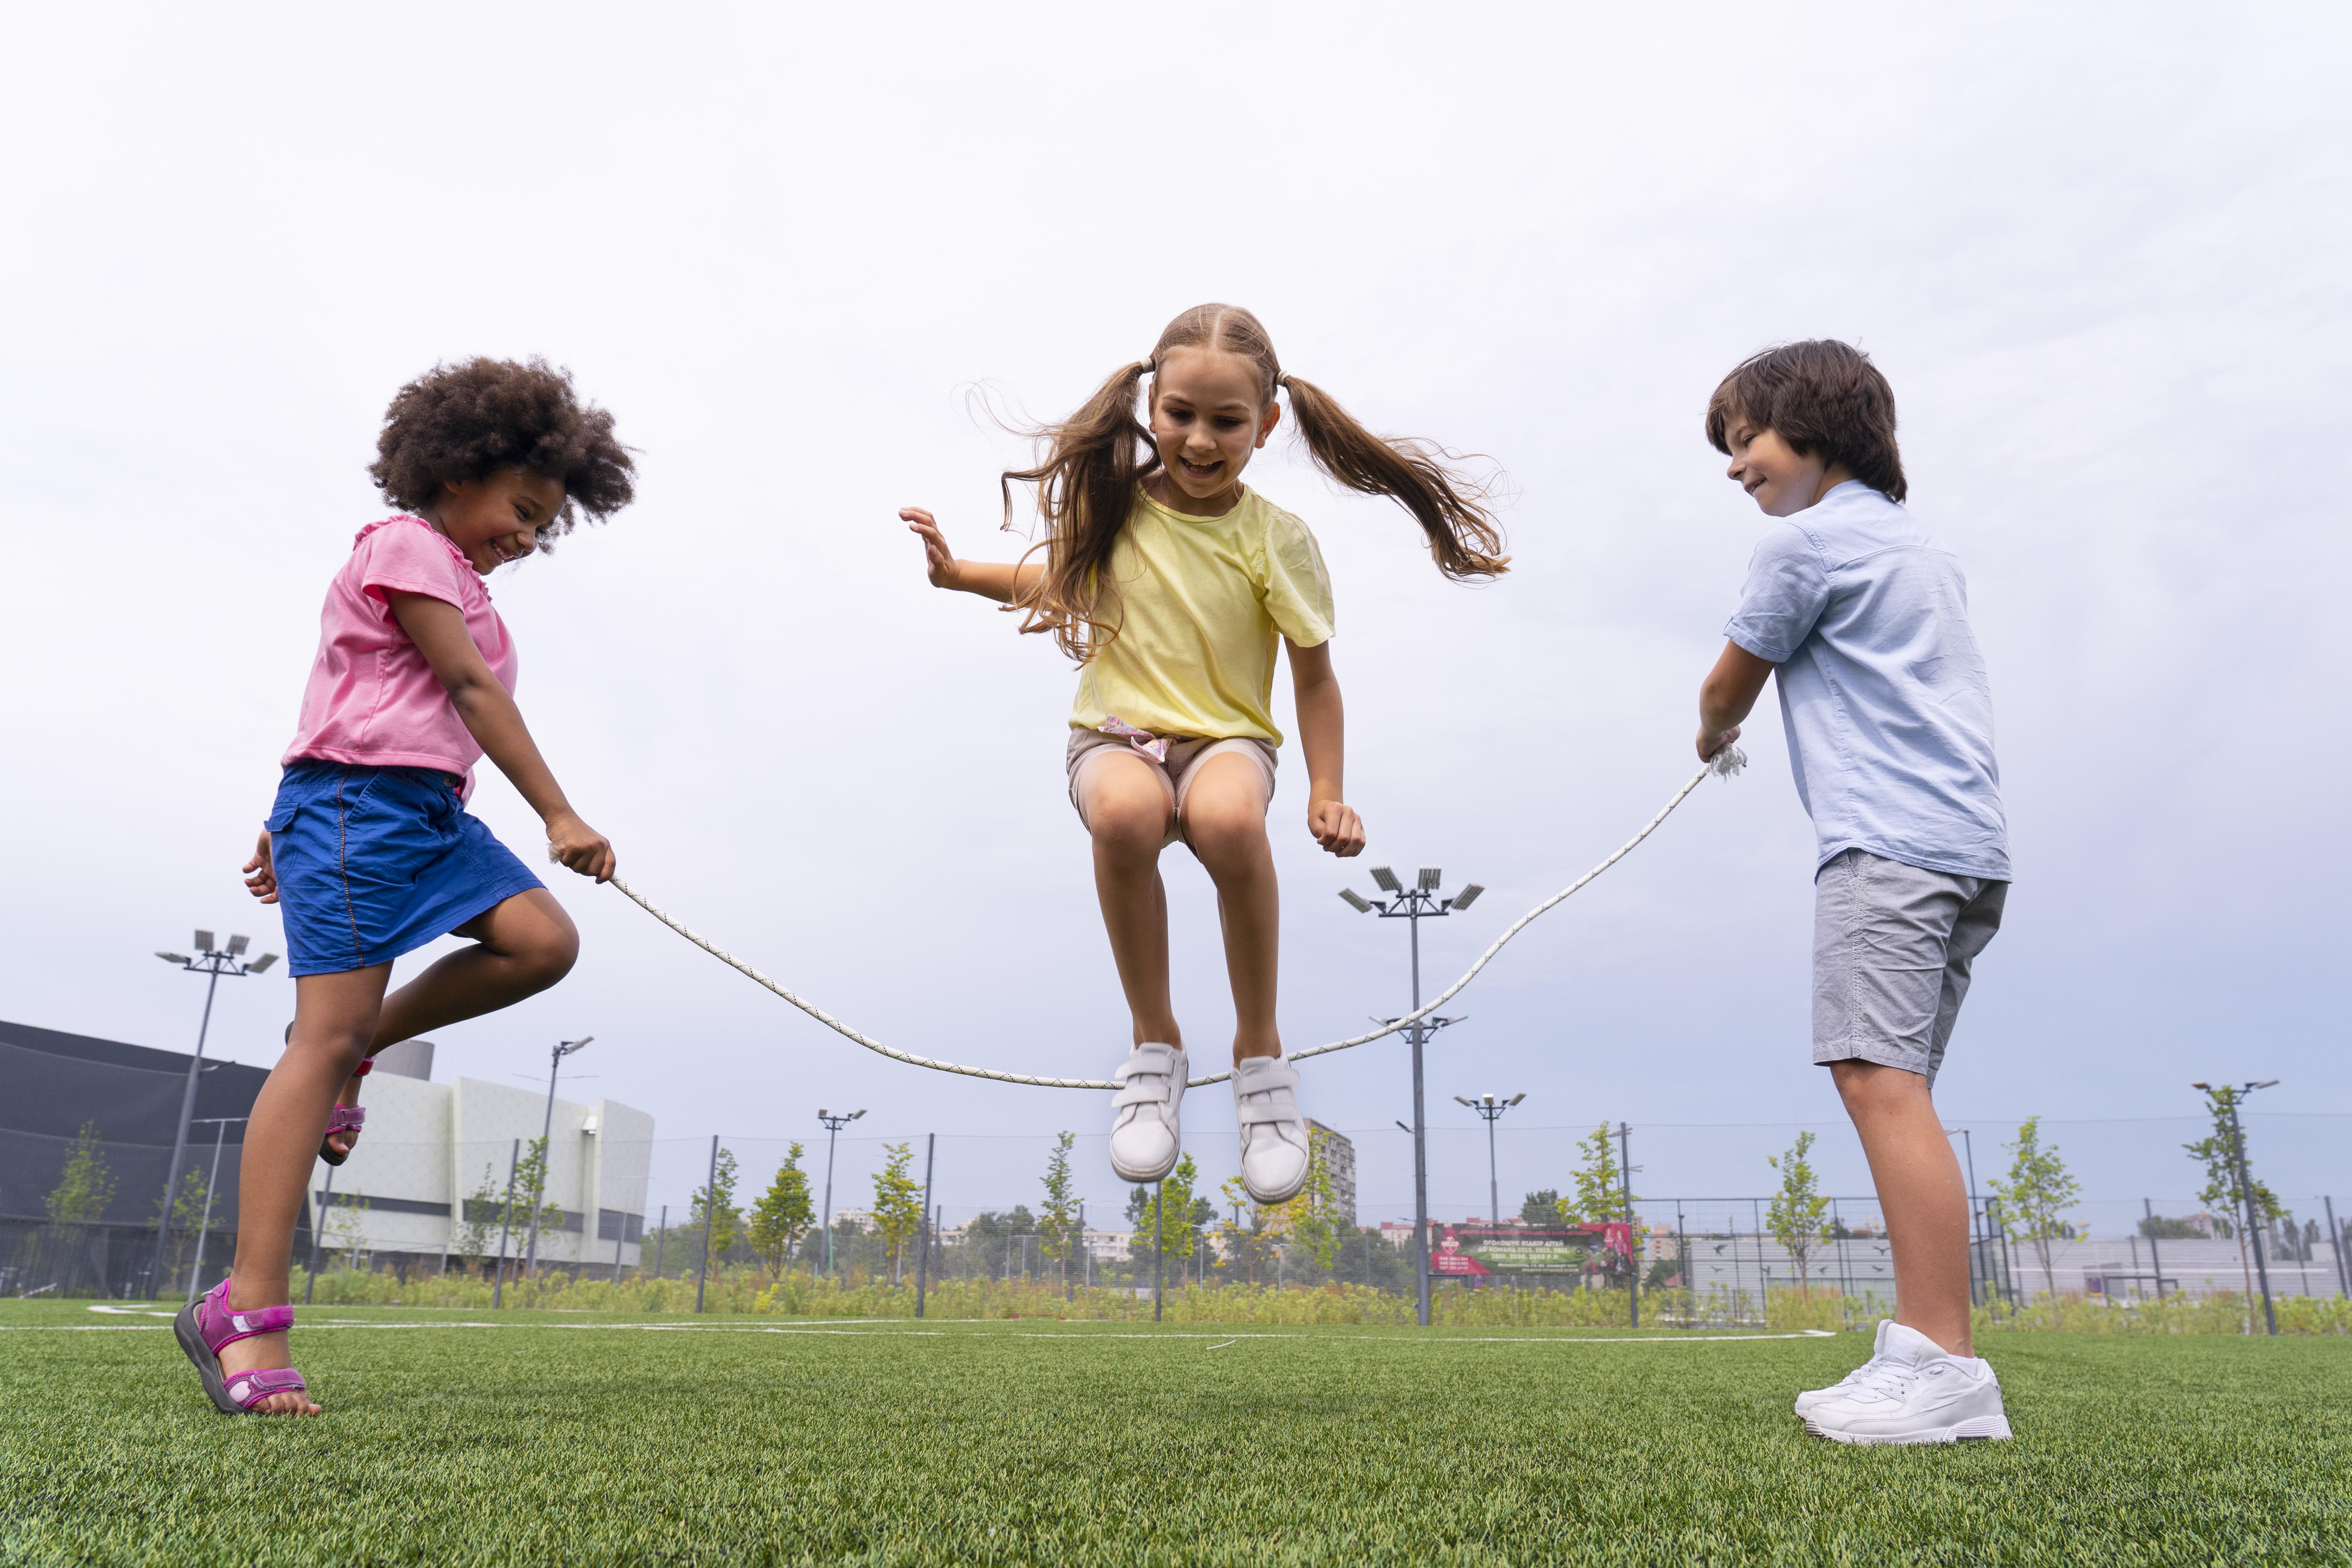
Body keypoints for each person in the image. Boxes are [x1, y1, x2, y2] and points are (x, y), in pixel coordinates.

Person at [903, 303, 1505, 1204]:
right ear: (1152, 406)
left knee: (1225, 818)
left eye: (1226, 421)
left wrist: (1327, 787)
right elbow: (1054, 581)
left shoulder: (1276, 537)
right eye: (1181, 413)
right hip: (1115, 735)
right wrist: (958, 576)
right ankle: (1155, 1047)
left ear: (1265, 425)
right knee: (1123, 810)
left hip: (1227, 739)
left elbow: (1313, 677)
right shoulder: (1114, 510)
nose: (1198, 438)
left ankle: (1259, 1057)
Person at [174, 358, 634, 1416]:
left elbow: (359, 687)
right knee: (316, 1039)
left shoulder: (465, 585)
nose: (526, 536)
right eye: (521, 509)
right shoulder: (403, 543)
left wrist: (282, 811)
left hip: (419, 815)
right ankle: (244, 1313)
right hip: (357, 812)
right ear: (459, 467)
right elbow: (464, 690)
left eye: (542, 526)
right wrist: (559, 812)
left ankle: (365, 1049)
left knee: (540, 942)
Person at [1693, 340, 2013, 1445]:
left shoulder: (1804, 547)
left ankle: (1941, 1366)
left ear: (1813, 426)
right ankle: (1930, 1355)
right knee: (1897, 1083)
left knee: (1877, 1084)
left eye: (1747, 441)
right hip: (1967, 850)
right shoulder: (1922, 548)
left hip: (1884, 847)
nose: (1736, 468)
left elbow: (1729, 677)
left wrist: (1710, 732)